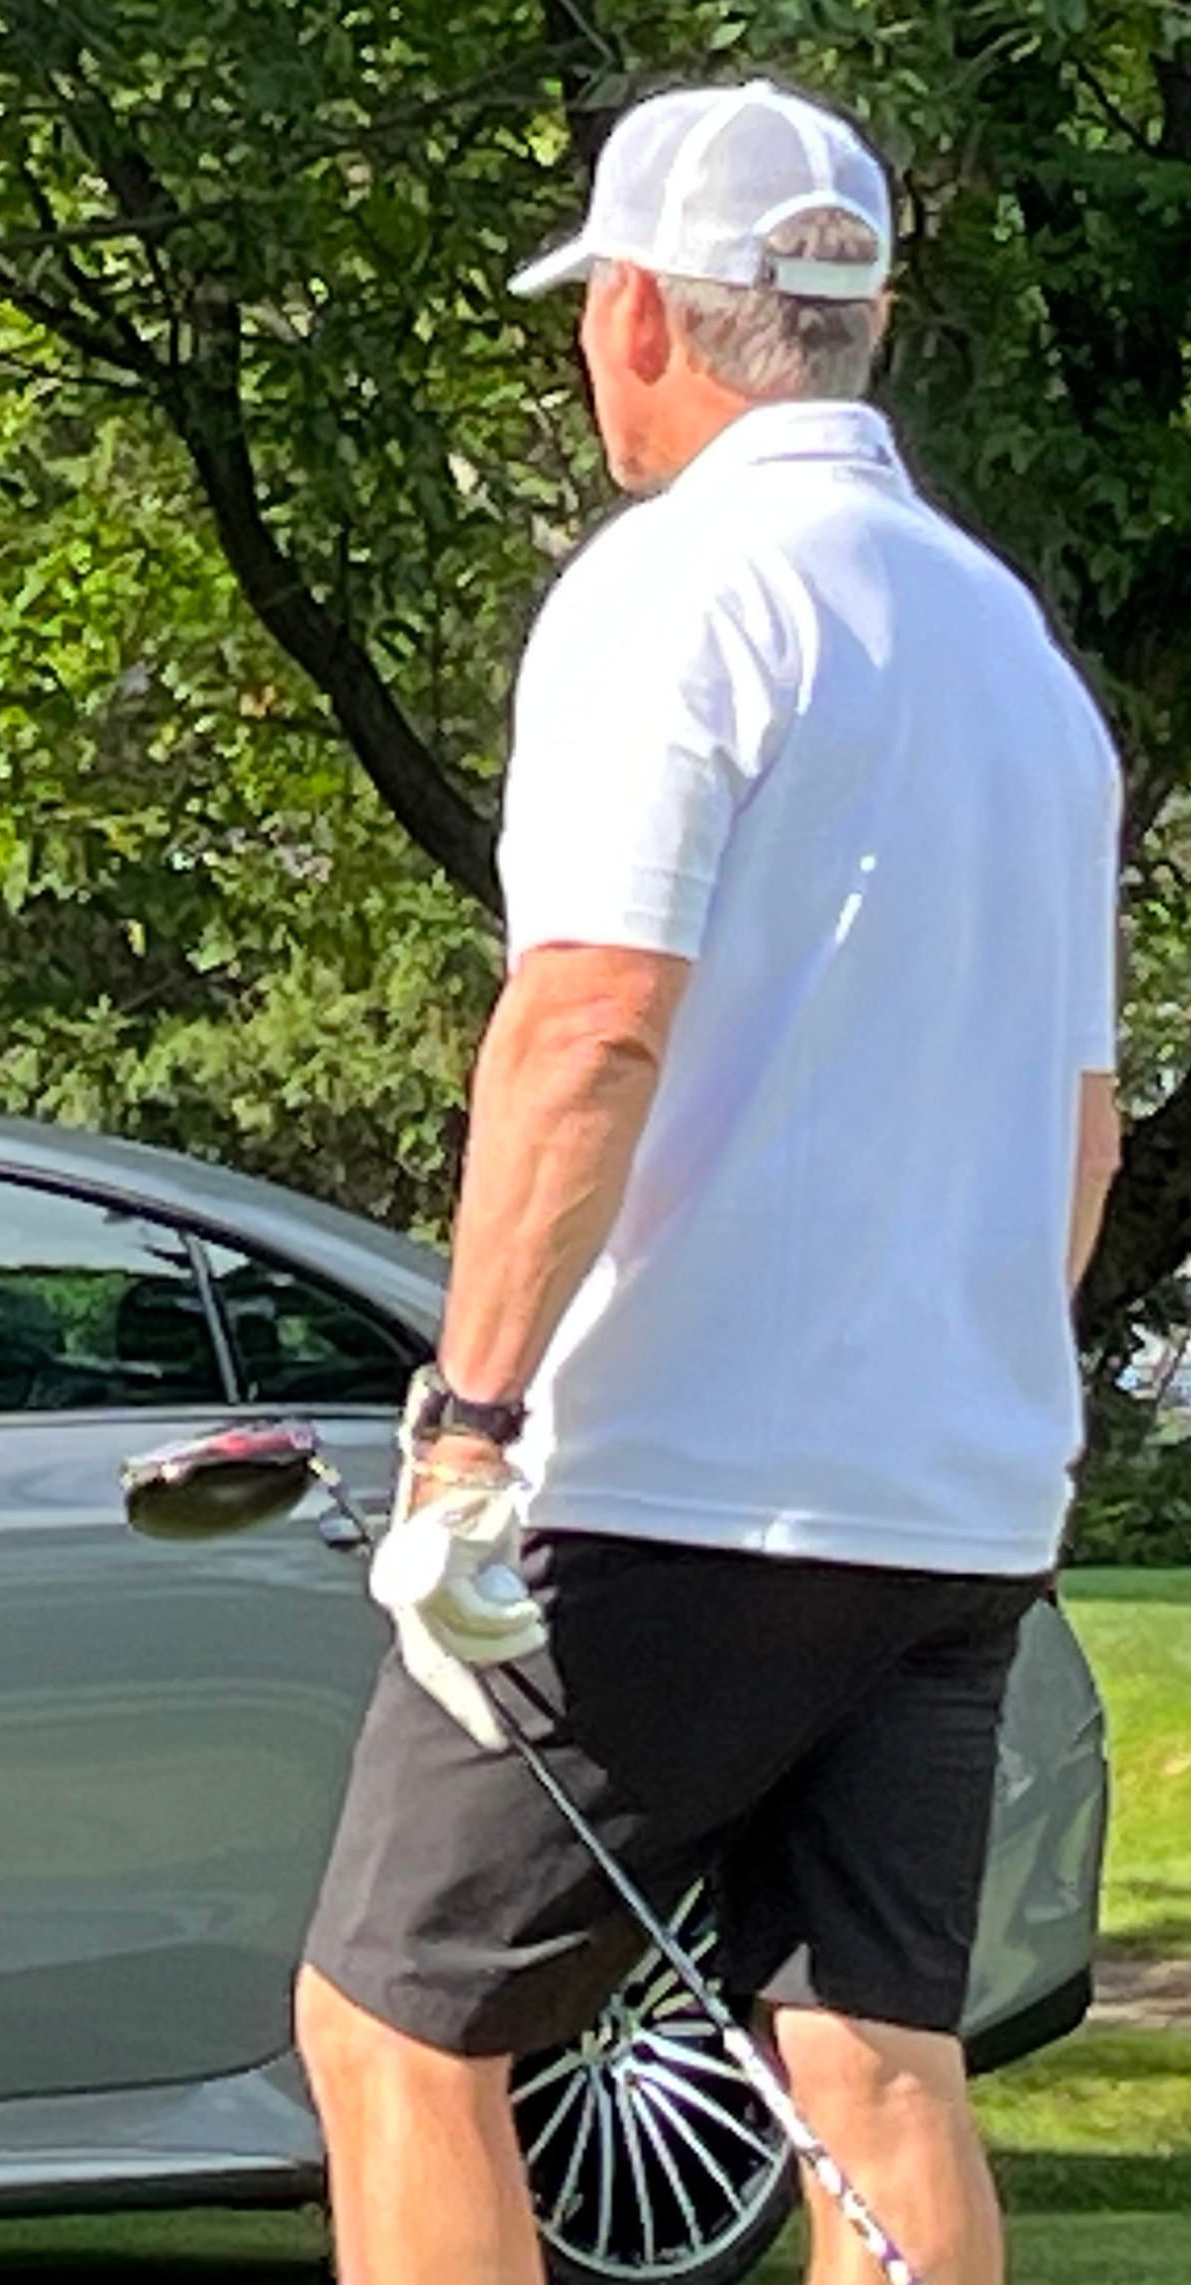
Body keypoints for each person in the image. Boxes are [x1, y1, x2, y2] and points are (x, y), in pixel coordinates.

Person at [291, 82, 1123, 2285]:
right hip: (953, 1492)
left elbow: (588, 1025)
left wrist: (468, 1431)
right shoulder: (1017, 659)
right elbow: (1082, 1122)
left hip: (673, 1486)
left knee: (393, 2022)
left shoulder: (674, 596)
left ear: (643, 311)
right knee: (868, 2064)